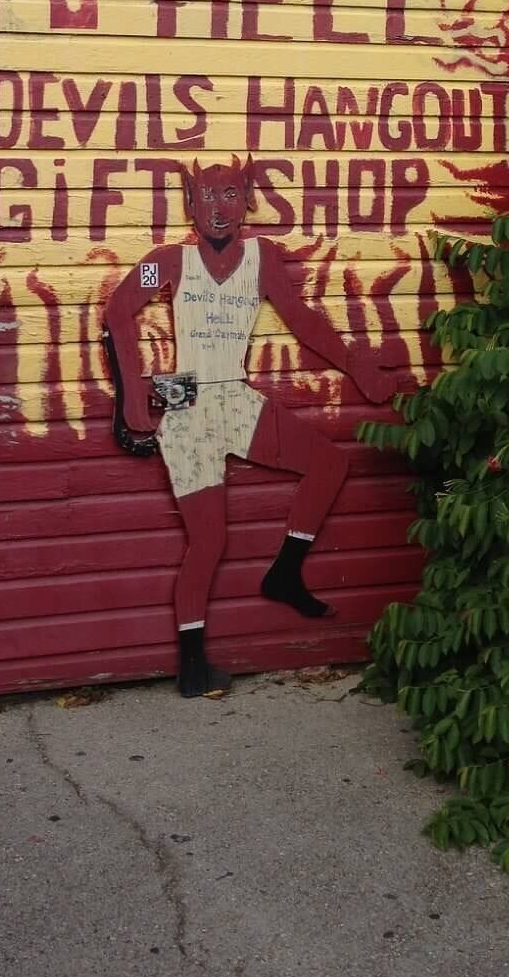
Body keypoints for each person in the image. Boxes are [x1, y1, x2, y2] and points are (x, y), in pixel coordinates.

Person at [103, 157, 403, 697]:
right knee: (208, 540)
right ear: (191, 204)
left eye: (229, 195)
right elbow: (118, 310)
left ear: (246, 202)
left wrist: (359, 369)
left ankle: (285, 572)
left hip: (234, 395)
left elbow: (302, 321)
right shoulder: (167, 261)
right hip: (186, 398)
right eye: (206, 196)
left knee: (328, 463)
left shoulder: (263, 258)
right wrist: (132, 394)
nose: (218, 208)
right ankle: (192, 665)